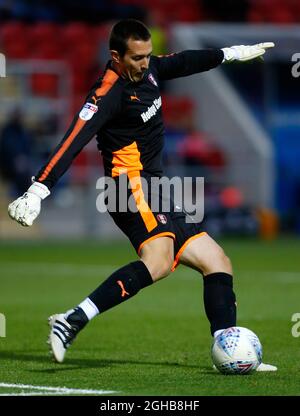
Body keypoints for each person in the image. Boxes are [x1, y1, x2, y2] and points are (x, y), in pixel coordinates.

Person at [8, 19, 276, 371]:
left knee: (216, 261)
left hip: (155, 185)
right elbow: (73, 140)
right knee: (160, 261)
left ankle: (231, 351)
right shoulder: (108, 93)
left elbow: (182, 62)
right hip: (127, 186)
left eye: (148, 55)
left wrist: (231, 53)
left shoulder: (148, 70)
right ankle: (72, 319)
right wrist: (38, 190)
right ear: (116, 56)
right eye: (137, 58)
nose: (145, 62)